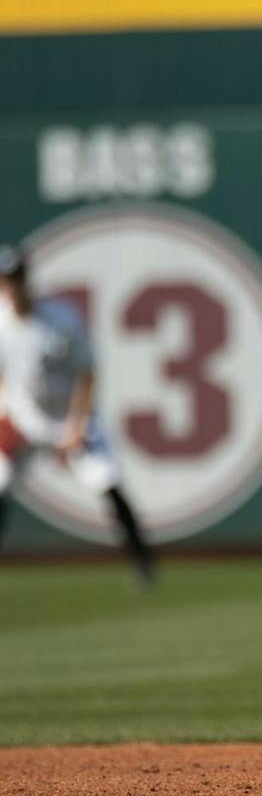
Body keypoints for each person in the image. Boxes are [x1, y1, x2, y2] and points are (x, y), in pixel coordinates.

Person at [0, 244, 156, 587]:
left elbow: (86, 373)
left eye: (15, 278)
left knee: (108, 482)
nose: (11, 287)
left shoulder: (60, 317)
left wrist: (77, 425)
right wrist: (5, 415)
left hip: (71, 418)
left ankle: (143, 565)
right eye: (5, 281)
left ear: (26, 279)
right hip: (25, 420)